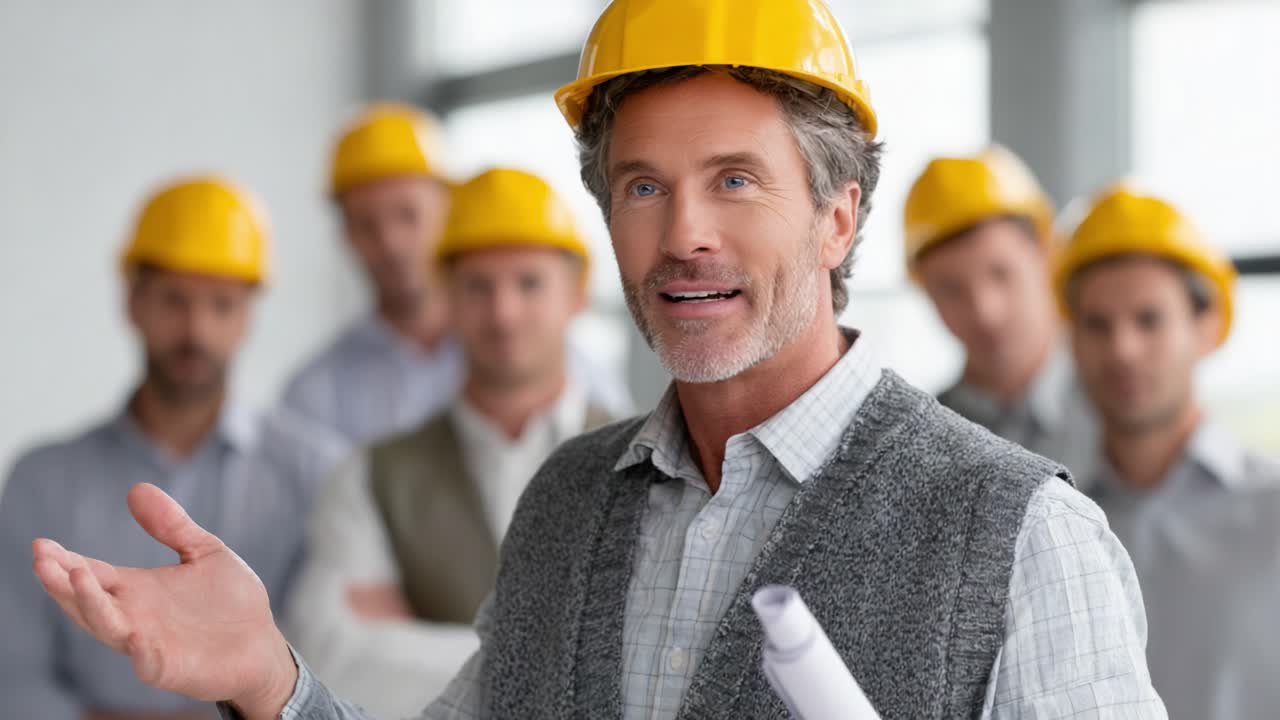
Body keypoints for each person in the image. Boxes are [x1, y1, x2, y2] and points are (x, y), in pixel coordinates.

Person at [29, 2, 1167, 718]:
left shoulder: (1015, 532)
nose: (682, 236)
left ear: (835, 218)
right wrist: (269, 681)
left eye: (734, 179)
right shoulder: (566, 503)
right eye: (640, 187)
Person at [1, 176, 346, 719]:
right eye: (175, 300)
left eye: (222, 304)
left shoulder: (319, 473)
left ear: (249, 315)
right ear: (133, 302)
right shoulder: (39, 480)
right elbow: (12, 676)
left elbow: (328, 673)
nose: (196, 329)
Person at [284, 168, 617, 717]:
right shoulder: (370, 474)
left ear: (577, 295)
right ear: (445, 298)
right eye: (477, 287)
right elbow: (327, 656)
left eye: (529, 283)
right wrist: (560, 660)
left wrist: (414, 635)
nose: (503, 313)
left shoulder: (647, 457)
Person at [1056, 184, 1280, 719]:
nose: (1122, 350)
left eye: (1149, 320)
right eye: (1097, 324)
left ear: (1206, 327)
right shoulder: (1049, 521)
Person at [282, 103, 632, 444]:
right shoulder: (314, 395)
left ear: (449, 207)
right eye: (366, 224)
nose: (391, 243)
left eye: (408, 214)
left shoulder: (574, 375)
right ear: (345, 234)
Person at [904, 146, 1098, 480]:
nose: (985, 312)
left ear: (1045, 253)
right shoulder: (919, 444)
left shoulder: (1124, 408)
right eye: (951, 288)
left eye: (1001, 273)